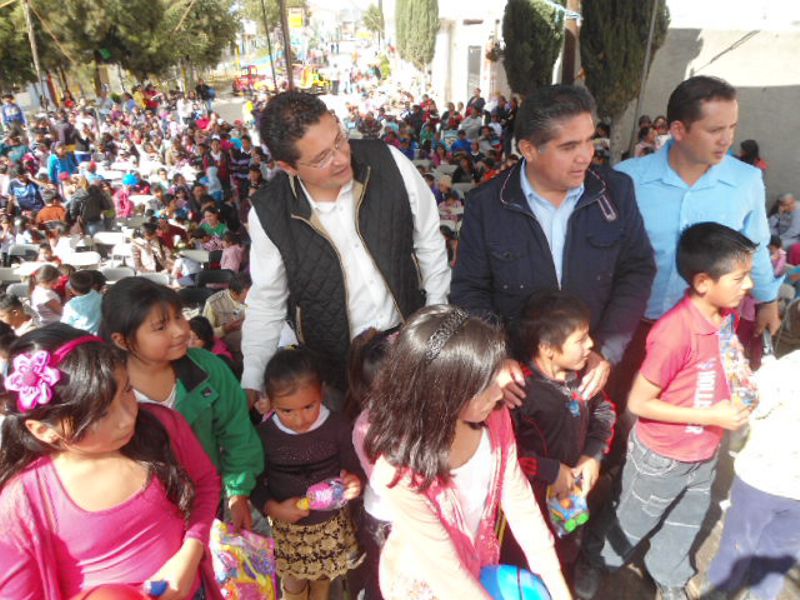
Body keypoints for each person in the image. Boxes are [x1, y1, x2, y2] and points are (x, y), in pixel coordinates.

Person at [577, 223, 757, 600]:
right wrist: (712, 417)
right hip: (662, 456)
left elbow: (722, 362)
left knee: (685, 520)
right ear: (703, 282)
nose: (749, 285)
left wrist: (741, 382)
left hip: (704, 451)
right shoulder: (675, 332)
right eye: (739, 277)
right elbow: (639, 403)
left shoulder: (725, 316)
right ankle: (595, 558)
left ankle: (668, 575)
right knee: (632, 517)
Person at [452, 84, 655, 405]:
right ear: (529, 149)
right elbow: (470, 290)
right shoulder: (488, 205)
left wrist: (605, 350)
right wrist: (496, 359)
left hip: (593, 375)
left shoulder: (616, 192)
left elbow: (637, 271)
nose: (586, 155)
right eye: (569, 146)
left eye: (589, 140)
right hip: (517, 384)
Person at [242, 91, 450, 404]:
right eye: (321, 158)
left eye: (339, 140)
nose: (341, 159)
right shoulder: (270, 213)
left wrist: (435, 325)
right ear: (288, 167)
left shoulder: (388, 162)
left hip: (413, 346)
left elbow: (430, 244)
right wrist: (253, 378)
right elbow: (267, 302)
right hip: (339, 373)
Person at [363, 306, 570, 599]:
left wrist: (558, 586)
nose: (499, 391)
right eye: (484, 386)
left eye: (495, 374)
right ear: (443, 396)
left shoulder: (494, 417)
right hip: (428, 584)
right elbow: (447, 572)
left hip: (478, 562)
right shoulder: (400, 474)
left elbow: (518, 499)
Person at [0, 326, 222, 598]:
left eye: (127, 390)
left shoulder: (161, 426)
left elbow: (205, 483)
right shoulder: (23, 503)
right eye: (102, 414)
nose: (127, 418)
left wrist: (192, 549)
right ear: (43, 430)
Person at [611, 76, 781, 417]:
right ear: (678, 129)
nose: (727, 139)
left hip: (707, 333)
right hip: (632, 327)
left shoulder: (745, 181)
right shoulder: (628, 179)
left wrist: (768, 300)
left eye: (732, 127)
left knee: (690, 419)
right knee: (620, 410)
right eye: (715, 129)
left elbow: (757, 245)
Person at [100, 277, 264, 530]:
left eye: (179, 316)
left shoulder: (207, 368)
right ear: (122, 340)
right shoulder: (106, 389)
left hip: (205, 501)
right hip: (141, 516)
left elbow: (237, 432)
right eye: (160, 327)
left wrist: (238, 492)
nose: (180, 330)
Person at [503, 291, 616, 570]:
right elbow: (506, 453)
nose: (591, 345)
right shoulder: (519, 392)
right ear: (547, 348)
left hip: (574, 492)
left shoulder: (584, 377)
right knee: (531, 552)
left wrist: (592, 456)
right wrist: (551, 470)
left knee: (568, 540)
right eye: (580, 339)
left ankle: (567, 567)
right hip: (532, 499)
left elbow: (605, 413)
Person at [251, 347, 364, 600]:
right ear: (270, 402)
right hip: (289, 529)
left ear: (321, 393)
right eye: (287, 411)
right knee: (293, 581)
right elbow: (255, 483)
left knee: (323, 577)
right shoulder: (265, 436)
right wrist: (273, 508)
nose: (300, 419)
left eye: (309, 406)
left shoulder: (338, 426)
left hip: (329, 526)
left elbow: (354, 467)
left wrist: (354, 481)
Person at [705, 350, 800, 600]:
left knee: (738, 542)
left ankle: (720, 589)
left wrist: (756, 373)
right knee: (780, 553)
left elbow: (747, 406)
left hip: (760, 480)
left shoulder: (786, 369)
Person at [348, 329, 395, 600]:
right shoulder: (366, 427)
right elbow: (384, 484)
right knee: (386, 579)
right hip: (387, 516)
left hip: (402, 515)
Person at [61, 269, 103, 334]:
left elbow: (65, 325)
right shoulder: (101, 297)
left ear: (72, 290)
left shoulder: (71, 305)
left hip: (80, 336)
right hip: (99, 335)